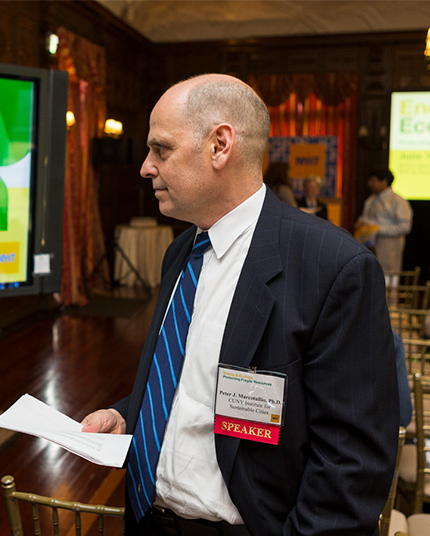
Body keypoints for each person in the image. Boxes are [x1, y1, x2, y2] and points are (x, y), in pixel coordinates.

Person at [82, 74, 397, 535]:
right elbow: (188, 376)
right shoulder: (181, 253)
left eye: (162, 149)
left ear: (220, 145)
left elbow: (352, 465)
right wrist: (126, 415)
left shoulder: (332, 267)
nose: (146, 167)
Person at [355, 168, 413, 275]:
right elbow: (365, 217)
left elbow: (405, 226)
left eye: (373, 180)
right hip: (369, 245)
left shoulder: (398, 201)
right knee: (370, 275)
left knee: (387, 276)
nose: (369, 184)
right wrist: (361, 223)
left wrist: (377, 229)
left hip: (389, 246)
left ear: (384, 181)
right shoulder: (371, 199)